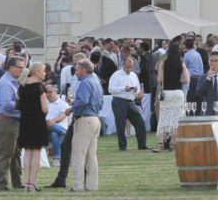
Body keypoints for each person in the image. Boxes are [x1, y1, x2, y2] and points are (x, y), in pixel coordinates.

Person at [70, 58, 103, 191]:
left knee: (78, 155)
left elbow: (83, 101)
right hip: (95, 118)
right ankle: (91, 185)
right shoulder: (96, 82)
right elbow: (100, 103)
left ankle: (78, 186)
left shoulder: (84, 83)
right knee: (91, 156)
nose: (76, 72)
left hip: (84, 119)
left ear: (83, 70)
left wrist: (71, 109)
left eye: (77, 70)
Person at [0, 56, 25, 190]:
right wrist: (24, 105)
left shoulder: (13, 82)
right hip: (7, 121)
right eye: (20, 67)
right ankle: (2, 184)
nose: (22, 70)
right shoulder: (6, 83)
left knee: (16, 153)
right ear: (11, 68)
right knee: (6, 154)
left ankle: (17, 182)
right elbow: (7, 105)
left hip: (14, 121)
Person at [18, 62, 49, 192]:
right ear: (36, 72)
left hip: (25, 120)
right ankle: (32, 183)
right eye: (43, 71)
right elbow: (45, 109)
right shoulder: (40, 87)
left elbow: (19, 105)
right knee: (36, 152)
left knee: (27, 153)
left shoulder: (22, 87)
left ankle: (27, 182)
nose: (45, 73)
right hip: (37, 121)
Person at [108, 56, 149, 151]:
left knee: (140, 122)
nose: (129, 69)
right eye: (127, 67)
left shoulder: (134, 75)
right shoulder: (116, 75)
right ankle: (122, 146)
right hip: (119, 101)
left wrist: (135, 90)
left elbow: (138, 88)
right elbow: (110, 89)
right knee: (120, 124)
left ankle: (142, 145)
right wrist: (123, 88)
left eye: (131, 67)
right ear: (123, 65)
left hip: (131, 101)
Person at [155, 42, 188, 152]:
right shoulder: (182, 64)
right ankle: (173, 144)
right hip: (178, 93)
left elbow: (159, 80)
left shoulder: (163, 63)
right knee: (176, 119)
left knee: (164, 118)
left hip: (167, 93)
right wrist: (179, 81)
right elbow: (186, 80)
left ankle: (161, 143)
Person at [44, 84, 71, 166]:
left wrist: (52, 122)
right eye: (46, 93)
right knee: (47, 125)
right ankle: (56, 159)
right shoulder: (44, 103)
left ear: (56, 91)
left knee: (54, 134)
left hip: (58, 126)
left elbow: (62, 116)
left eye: (50, 92)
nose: (48, 94)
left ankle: (56, 159)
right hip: (45, 129)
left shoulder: (63, 104)